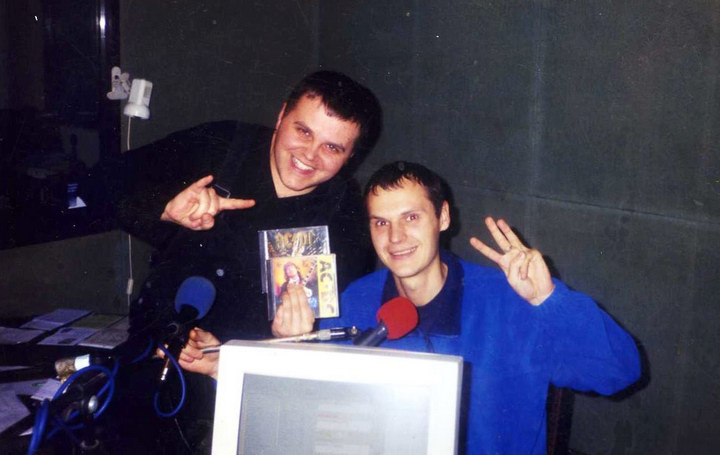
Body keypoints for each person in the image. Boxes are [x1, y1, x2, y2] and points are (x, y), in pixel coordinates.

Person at [179, 161, 641, 454]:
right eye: (381, 223)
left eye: (411, 217)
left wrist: (549, 300)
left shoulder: (512, 302)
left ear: (443, 218)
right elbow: (310, 411)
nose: (395, 237)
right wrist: (229, 365)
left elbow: (619, 373)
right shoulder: (354, 302)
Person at [119, 70, 382, 342]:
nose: (309, 154)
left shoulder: (348, 217)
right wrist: (164, 208)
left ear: (350, 156)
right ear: (281, 116)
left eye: (332, 148)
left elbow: (334, 334)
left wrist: (263, 349)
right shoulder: (221, 146)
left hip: (254, 361)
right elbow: (105, 188)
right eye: (304, 131)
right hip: (155, 343)